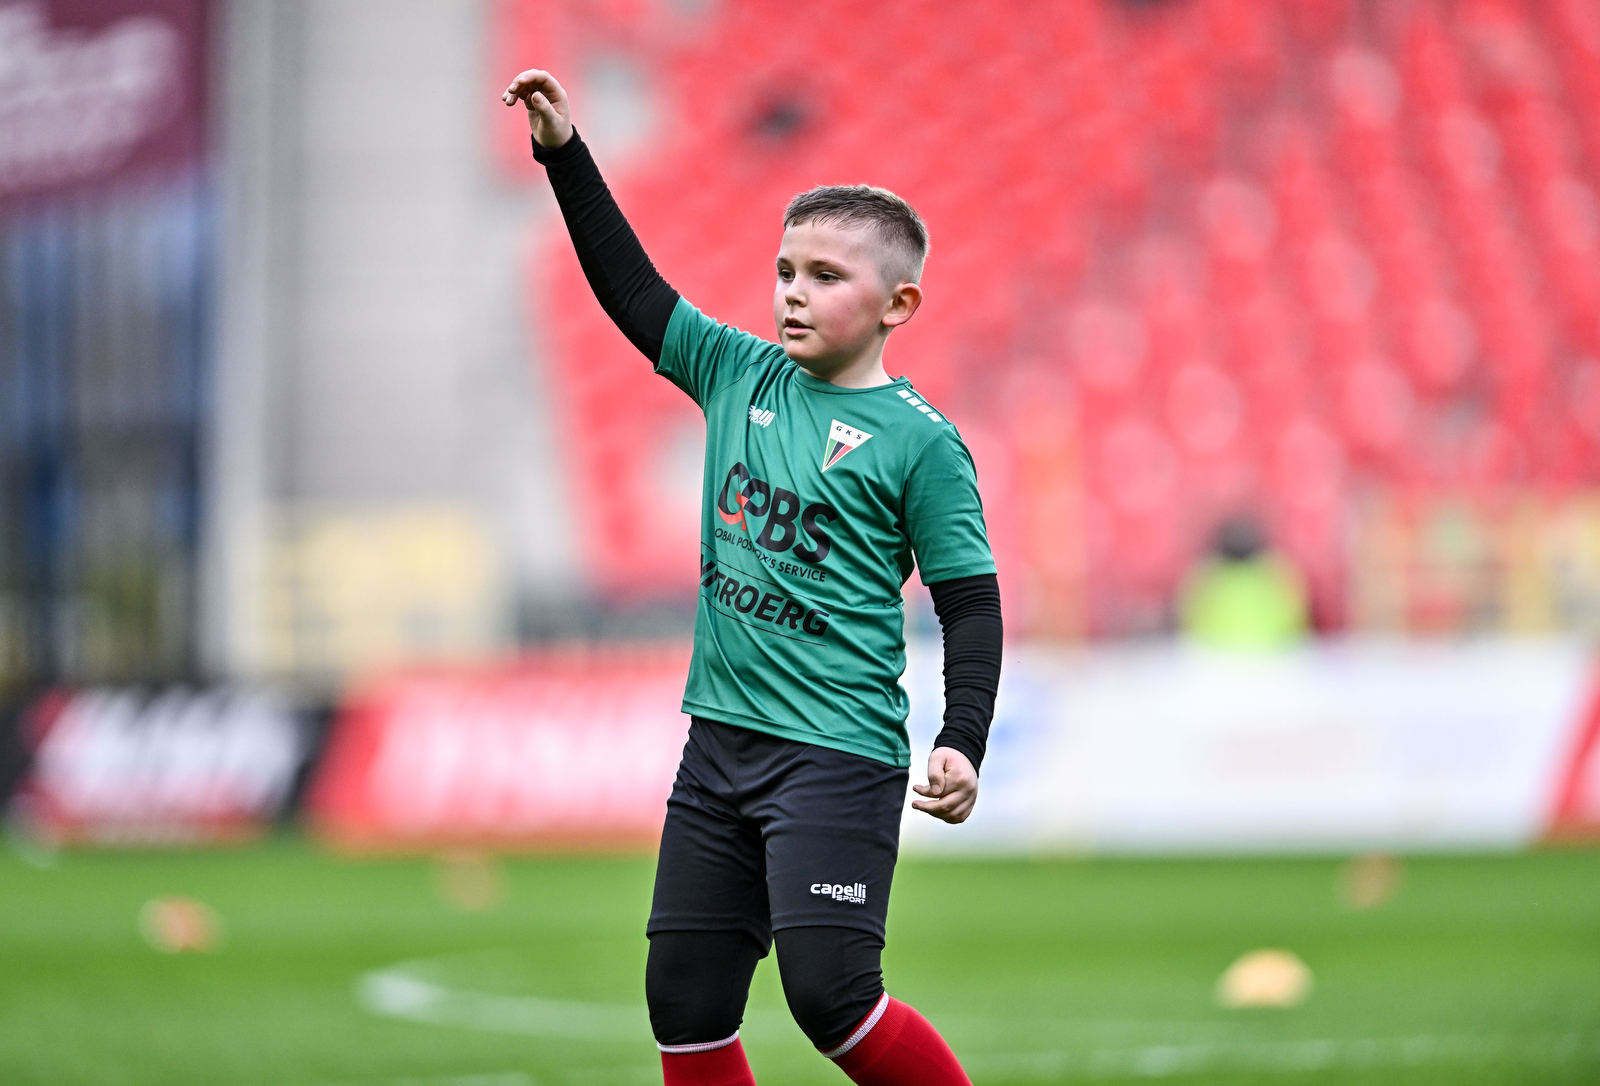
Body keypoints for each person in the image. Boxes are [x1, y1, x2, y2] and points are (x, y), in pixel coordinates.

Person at [503, 70, 1003, 1086]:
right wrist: (563, 153)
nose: (793, 292)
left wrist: (961, 738)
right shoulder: (739, 373)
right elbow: (632, 290)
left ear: (898, 304)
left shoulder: (923, 443)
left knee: (832, 999)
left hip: (835, 753)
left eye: (825, 276)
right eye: (784, 271)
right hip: (718, 748)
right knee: (684, 1005)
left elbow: (970, 604)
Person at [1179, 516, 1309, 650]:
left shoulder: (1206, 570)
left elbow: (1187, 612)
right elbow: (1297, 612)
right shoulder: (1277, 568)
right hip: (1265, 650)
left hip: (1220, 650)